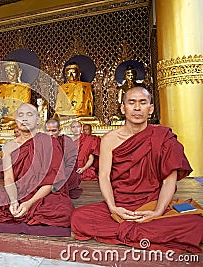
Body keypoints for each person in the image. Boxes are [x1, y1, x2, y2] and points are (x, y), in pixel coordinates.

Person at [71, 87, 203, 253]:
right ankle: (143, 232)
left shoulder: (162, 137)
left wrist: (158, 211)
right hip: (120, 206)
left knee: (196, 224)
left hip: (151, 203)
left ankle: (130, 230)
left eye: (143, 102)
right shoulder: (110, 140)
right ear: (123, 108)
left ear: (151, 108)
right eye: (131, 102)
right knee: (79, 217)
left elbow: (169, 180)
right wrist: (113, 208)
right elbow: (103, 177)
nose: (137, 108)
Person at [0, 103, 74, 227]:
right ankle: (18, 209)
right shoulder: (8, 147)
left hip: (42, 194)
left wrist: (29, 203)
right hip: (17, 192)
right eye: (20, 115)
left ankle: (26, 210)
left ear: (38, 120)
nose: (24, 118)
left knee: (63, 210)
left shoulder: (49, 142)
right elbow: (9, 179)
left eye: (29, 115)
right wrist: (13, 201)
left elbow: (51, 181)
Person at [45, 119, 82, 199]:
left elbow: (71, 164)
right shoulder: (42, 142)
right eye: (48, 131)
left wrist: (58, 179)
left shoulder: (66, 141)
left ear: (59, 130)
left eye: (54, 131)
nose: (51, 134)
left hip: (65, 175)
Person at [0, 61, 31, 129]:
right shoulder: (2, 88)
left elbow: (25, 107)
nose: (8, 73)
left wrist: (14, 119)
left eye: (11, 70)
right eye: (6, 71)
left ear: (19, 72)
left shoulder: (24, 87)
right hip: (3, 120)